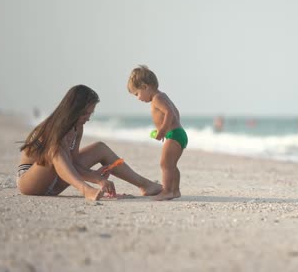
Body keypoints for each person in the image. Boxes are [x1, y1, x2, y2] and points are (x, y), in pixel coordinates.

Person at [17, 85, 162, 201]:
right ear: (73, 110)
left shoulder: (77, 128)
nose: (88, 118)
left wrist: (95, 175)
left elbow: (72, 163)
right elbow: (59, 159)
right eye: (85, 113)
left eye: (91, 113)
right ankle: (86, 190)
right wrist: (95, 179)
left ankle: (146, 185)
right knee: (56, 148)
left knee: (100, 148)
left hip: (56, 182)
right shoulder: (51, 128)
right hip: (32, 183)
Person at [127, 65, 187, 201]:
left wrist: (164, 130)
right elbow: (176, 112)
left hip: (174, 134)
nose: (138, 98)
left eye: (137, 93)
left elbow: (170, 113)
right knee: (171, 165)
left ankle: (166, 191)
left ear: (144, 87)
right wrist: (168, 129)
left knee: (165, 164)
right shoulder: (163, 96)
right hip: (178, 133)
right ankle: (175, 191)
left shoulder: (157, 99)